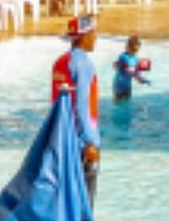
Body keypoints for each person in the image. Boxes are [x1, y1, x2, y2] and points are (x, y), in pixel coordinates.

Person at [51, 15, 103, 203]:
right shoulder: (83, 64)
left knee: (67, 200)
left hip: (63, 138)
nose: (95, 37)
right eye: (93, 33)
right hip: (82, 143)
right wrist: (89, 142)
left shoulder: (61, 62)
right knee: (85, 201)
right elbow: (82, 106)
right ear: (83, 37)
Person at [113, 34, 151, 102]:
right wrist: (138, 78)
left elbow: (136, 71)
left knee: (128, 101)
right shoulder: (123, 57)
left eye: (136, 51)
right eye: (133, 50)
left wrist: (142, 79)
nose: (134, 52)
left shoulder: (136, 58)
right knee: (118, 103)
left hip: (128, 85)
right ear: (128, 47)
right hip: (119, 85)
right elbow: (129, 70)